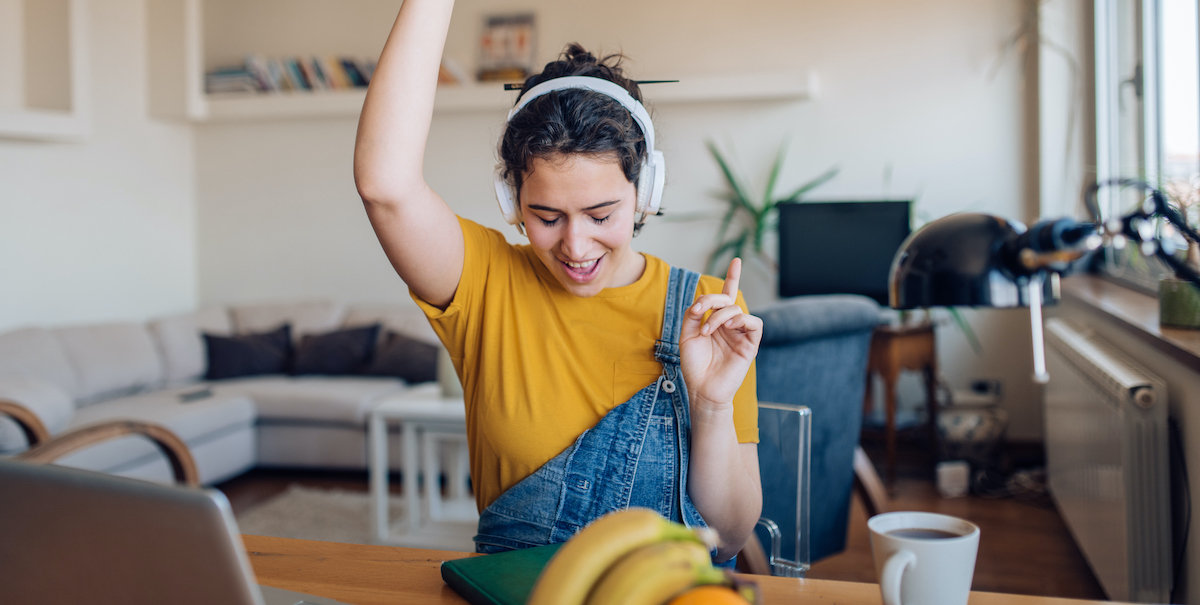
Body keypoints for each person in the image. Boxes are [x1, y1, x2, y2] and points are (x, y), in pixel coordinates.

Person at [353, 0, 762, 563]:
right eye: (547, 217)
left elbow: (733, 535)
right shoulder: (483, 282)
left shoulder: (709, 308)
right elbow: (385, 185)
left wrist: (712, 406)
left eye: (601, 216)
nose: (575, 246)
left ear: (646, 195)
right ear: (511, 201)